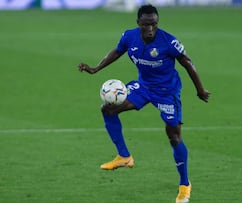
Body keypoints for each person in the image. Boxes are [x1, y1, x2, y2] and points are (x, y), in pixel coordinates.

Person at [78, 4, 210, 203]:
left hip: (167, 92)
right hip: (144, 87)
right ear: (138, 23)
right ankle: (124, 157)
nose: (150, 29)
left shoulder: (168, 41)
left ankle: (184, 184)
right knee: (108, 109)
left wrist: (199, 89)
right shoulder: (129, 36)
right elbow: (117, 51)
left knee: (174, 137)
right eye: (146, 25)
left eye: (154, 25)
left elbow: (187, 62)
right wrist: (96, 69)